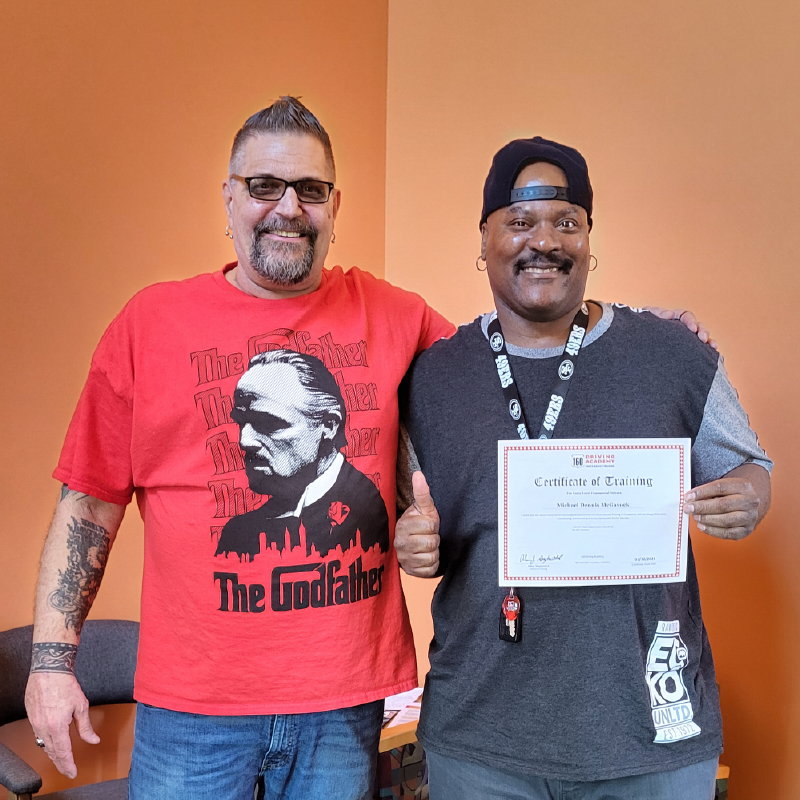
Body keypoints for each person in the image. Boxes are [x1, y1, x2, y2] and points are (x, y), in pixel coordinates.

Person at [24, 98, 713, 800]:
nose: (288, 208)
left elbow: (513, 351)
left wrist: (623, 329)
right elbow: (88, 503)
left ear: (334, 204)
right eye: (265, 186)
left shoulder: (396, 316)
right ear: (230, 196)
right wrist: (52, 663)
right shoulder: (149, 324)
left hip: (341, 711)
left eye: (310, 190)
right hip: (192, 712)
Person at [395, 136, 772, 800]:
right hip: (482, 739)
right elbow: (414, 517)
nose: (544, 240)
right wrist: (413, 542)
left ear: (589, 239)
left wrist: (745, 494)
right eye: (519, 222)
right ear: (483, 241)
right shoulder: (433, 377)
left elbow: (748, 468)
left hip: (651, 737)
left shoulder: (673, 354)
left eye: (566, 221)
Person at [216, 349, 390, 561]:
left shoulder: (369, 510)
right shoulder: (238, 534)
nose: (245, 441)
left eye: (269, 423)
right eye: (241, 422)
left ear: (328, 425)